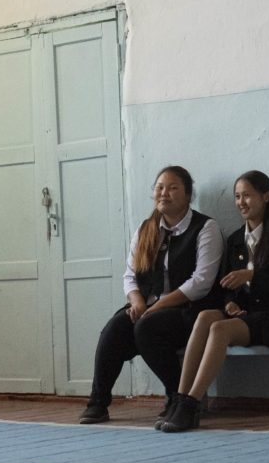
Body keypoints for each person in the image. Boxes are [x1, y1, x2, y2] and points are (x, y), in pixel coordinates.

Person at [78, 165, 223, 424]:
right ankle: (98, 402)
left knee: (147, 327)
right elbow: (130, 275)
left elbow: (201, 282)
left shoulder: (205, 228)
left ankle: (179, 396)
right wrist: (136, 302)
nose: (163, 193)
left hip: (189, 312)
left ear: (188, 195)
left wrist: (155, 308)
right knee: (115, 329)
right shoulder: (146, 229)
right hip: (148, 309)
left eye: (172, 188)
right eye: (159, 188)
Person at [160, 169, 269, 433]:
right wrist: (229, 304)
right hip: (245, 316)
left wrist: (252, 276)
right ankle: (180, 400)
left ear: (266, 197)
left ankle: (191, 405)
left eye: (247, 196)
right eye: (237, 197)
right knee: (205, 317)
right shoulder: (236, 239)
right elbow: (227, 288)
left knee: (219, 328)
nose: (241, 203)